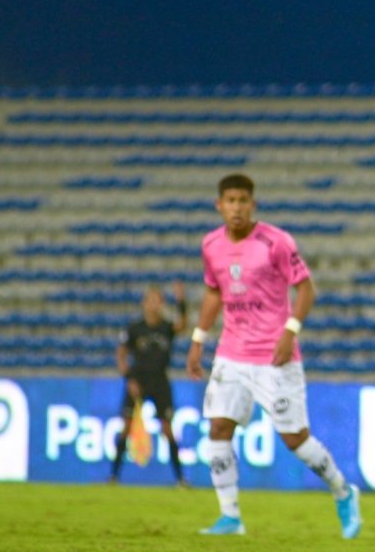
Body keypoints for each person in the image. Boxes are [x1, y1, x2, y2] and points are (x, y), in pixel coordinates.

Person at [186, 173, 361, 539]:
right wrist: (198, 339)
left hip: (274, 356)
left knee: (296, 440)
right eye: (230, 201)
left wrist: (290, 331)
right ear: (219, 205)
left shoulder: (275, 242)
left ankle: (343, 491)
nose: (236, 207)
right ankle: (230, 516)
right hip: (231, 353)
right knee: (218, 427)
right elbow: (213, 292)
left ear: (253, 204)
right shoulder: (211, 245)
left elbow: (306, 289)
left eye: (242, 200)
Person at [110, 282, 188, 486]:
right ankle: (113, 476)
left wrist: (181, 301)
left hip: (160, 380)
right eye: (150, 300)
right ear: (144, 303)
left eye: (158, 300)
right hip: (139, 380)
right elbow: (121, 354)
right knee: (126, 427)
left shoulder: (166, 327)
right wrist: (129, 378)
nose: (153, 304)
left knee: (167, 428)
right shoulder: (135, 328)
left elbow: (182, 325)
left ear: (162, 304)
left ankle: (180, 479)